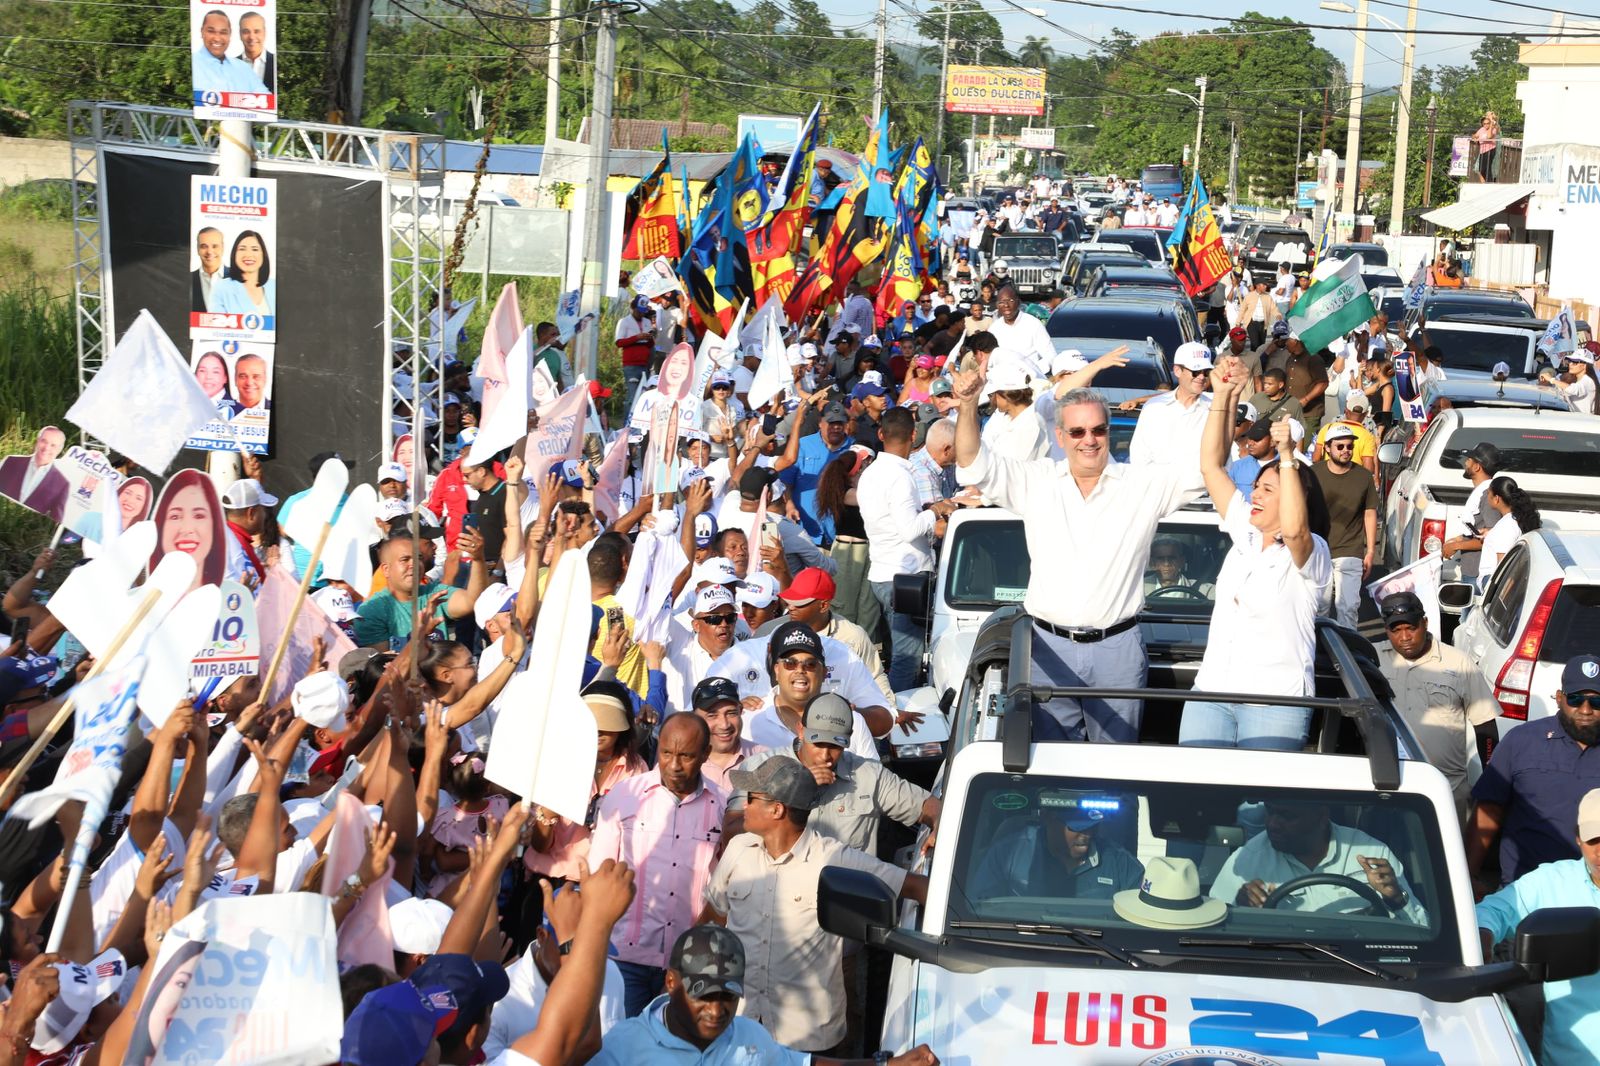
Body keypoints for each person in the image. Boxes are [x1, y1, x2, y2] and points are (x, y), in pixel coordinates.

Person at [950, 367, 1203, 743]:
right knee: (1052, 768)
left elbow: (1208, 469)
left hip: (1118, 649)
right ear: (1061, 436)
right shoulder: (1036, 481)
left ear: (1108, 431)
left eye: (1098, 430)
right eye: (1078, 432)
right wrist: (969, 403)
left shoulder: (1142, 485)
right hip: (1046, 648)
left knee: (1113, 769)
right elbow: (973, 462)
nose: (1089, 440)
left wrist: (1223, 400)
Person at [699, 757, 927, 1053]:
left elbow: (913, 886)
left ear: (776, 809)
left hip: (809, 1041)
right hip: (742, 1030)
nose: (745, 806)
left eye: (752, 798)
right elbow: (712, 919)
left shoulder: (833, 858)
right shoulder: (738, 850)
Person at [1180, 368, 1332, 751]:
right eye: (1257, 488)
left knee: (1259, 812)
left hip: (1275, 701)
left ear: (1297, 498)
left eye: (1267, 489)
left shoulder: (1310, 553)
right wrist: (1222, 395)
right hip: (1211, 691)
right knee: (1193, 802)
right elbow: (1211, 467)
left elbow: (1295, 531)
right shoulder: (1245, 534)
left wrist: (1286, 457)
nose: (1256, 495)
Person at [591, 925, 939, 1065]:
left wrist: (884, 1064)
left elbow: (805, 1064)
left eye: (728, 997)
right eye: (703, 995)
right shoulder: (622, 1048)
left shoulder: (747, 1036)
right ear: (671, 982)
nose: (716, 1011)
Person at [589, 713, 726, 1017]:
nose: (674, 765)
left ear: (705, 754)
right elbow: (600, 873)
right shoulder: (624, 797)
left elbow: (724, 890)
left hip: (690, 963)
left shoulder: (722, 806)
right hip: (626, 958)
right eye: (667, 753)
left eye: (686, 756)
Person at [1476, 788, 1600, 1066]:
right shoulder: (1551, 881)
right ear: (1578, 838)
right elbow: (1496, 910)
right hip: (1572, 1058)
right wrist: (1484, 934)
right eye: (1595, 839)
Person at [1468, 654, 1600, 895]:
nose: (1585, 710)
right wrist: (1469, 875)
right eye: (1575, 699)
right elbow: (1488, 810)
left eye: (1596, 702)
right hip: (1525, 894)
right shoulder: (1521, 742)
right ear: (1559, 698)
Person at [1378, 592, 1498, 821]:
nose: (1404, 637)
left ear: (1424, 623)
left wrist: (1491, 777)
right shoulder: (1372, 659)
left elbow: (1485, 725)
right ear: (1387, 631)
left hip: (1448, 792)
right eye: (1395, 630)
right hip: (1390, 788)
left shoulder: (1458, 662)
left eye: (1411, 628)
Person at [1210, 800, 1426, 923]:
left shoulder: (1371, 851)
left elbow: (1422, 930)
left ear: (1322, 817)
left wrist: (1397, 899)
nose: (1273, 824)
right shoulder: (1248, 858)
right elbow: (1210, 926)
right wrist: (1240, 910)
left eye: (1287, 816)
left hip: (1361, 968)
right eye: (1270, 811)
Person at [860, 408, 952, 691]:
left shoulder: (871, 472)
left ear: (880, 434)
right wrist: (936, 509)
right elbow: (909, 529)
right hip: (905, 578)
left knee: (899, 655)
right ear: (914, 436)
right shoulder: (899, 476)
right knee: (906, 659)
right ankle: (898, 727)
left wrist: (925, 511)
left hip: (884, 574)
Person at [969, 801, 1143, 900]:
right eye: (1076, 828)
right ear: (1047, 818)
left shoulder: (1120, 863)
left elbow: (1144, 911)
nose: (1087, 835)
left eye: (1092, 827)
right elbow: (980, 907)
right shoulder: (1008, 854)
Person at [1311, 424, 1378, 629]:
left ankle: (1349, 655)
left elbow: (1369, 512)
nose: (1346, 451)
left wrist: (1370, 551)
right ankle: (1317, 654)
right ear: (1328, 448)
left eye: (1349, 446)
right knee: (1319, 607)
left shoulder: (1364, 477)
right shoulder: (1314, 473)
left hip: (1350, 550)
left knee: (1348, 608)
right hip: (1318, 550)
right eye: (1340, 447)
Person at [1127, 342, 1213, 469]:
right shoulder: (1154, 408)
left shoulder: (1216, 408)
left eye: (1206, 372)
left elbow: (1223, 459)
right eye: (1195, 371)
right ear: (1177, 371)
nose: (1201, 377)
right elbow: (1139, 455)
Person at [151, 468, 228, 594]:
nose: (187, 529)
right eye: (175, 516)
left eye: (199, 516)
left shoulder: (230, 603)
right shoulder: (137, 601)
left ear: (215, 525)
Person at [1441, 441, 1503, 584]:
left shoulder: (1487, 496)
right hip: (1471, 571)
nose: (1465, 463)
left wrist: (1456, 546)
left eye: (1469, 460)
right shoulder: (1482, 491)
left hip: (1479, 575)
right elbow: (1477, 530)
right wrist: (1458, 539)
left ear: (1477, 467)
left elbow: (1492, 538)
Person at [1477, 475, 1542, 586]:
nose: (1487, 497)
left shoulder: (1506, 526)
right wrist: (1491, 533)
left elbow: (1504, 571)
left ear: (1497, 498)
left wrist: (1497, 600)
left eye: (1488, 493)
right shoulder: (1515, 519)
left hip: (1492, 582)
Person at [192, 9, 270, 94]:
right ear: (202, 31)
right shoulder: (192, 63)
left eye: (223, 32)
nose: (217, 38)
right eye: (211, 31)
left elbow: (266, 99)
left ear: (230, 35)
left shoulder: (243, 68)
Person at [0, 425, 69, 523]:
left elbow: (54, 523)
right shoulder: (11, 461)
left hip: (22, 536)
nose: (46, 448)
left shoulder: (62, 485)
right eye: (44, 441)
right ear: (37, 441)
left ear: (59, 450)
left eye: (53, 445)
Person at [219, 476, 276, 588]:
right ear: (251, 513)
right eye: (264, 510)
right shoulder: (234, 544)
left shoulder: (232, 539)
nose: (266, 516)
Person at [209, 231, 275, 320]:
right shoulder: (221, 288)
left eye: (255, 249)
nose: (248, 254)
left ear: (263, 254)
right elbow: (215, 327)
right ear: (234, 254)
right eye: (242, 249)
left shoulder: (274, 286)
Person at [1142, 537, 1215, 601]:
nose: (1166, 563)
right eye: (1160, 559)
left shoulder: (1205, 591)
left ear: (1181, 561)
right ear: (1152, 563)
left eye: (1172, 558)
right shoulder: (1140, 589)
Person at [617, 297, 655, 400]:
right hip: (631, 365)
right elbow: (619, 342)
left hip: (645, 364)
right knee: (632, 396)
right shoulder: (624, 322)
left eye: (643, 312)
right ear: (633, 308)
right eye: (639, 311)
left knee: (642, 396)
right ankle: (627, 416)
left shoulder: (647, 321)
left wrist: (649, 338)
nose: (641, 314)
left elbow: (650, 345)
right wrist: (637, 338)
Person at [190, 227, 225, 313]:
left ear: (222, 248)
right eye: (204, 246)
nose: (209, 251)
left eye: (215, 246)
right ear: (198, 249)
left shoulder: (238, 279)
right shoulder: (187, 280)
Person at [238, 10, 274, 87]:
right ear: (240, 34)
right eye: (246, 32)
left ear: (264, 33)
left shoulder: (276, 62)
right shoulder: (230, 66)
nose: (251, 37)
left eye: (256, 31)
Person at [1471, 110, 1500, 181]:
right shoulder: (1482, 129)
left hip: (1490, 150)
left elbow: (1489, 136)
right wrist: (1474, 137)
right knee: (1481, 169)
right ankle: (1487, 181)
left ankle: (1489, 182)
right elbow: (1475, 135)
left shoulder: (1493, 129)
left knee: (1487, 168)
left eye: (1487, 123)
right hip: (1482, 151)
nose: (1486, 125)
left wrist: (1491, 124)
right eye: (1484, 124)